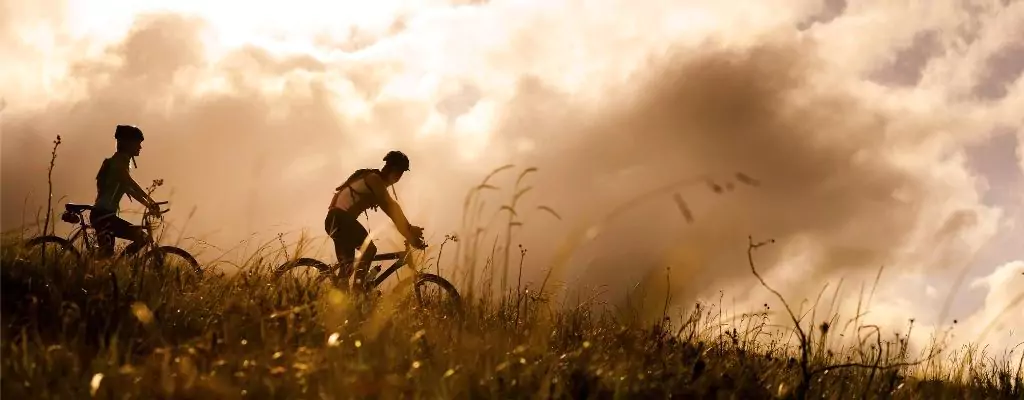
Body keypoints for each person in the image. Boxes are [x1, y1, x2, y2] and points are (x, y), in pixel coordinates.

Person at [327, 150, 425, 291]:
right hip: (340, 219)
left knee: (346, 269)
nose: (399, 177)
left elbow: (392, 210)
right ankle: (358, 291)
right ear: (390, 168)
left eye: (401, 173)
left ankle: (340, 300)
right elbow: (391, 207)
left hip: (337, 220)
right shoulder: (374, 179)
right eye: (398, 172)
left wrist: (408, 231)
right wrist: (409, 231)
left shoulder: (375, 181)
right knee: (369, 249)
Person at [91, 124, 162, 257]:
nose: (140, 147)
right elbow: (130, 184)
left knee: (106, 256)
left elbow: (128, 188)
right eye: (138, 143)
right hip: (104, 217)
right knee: (142, 239)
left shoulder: (117, 161)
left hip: (104, 216)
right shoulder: (118, 162)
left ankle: (116, 266)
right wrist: (150, 203)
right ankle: (120, 265)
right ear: (128, 144)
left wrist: (150, 203)